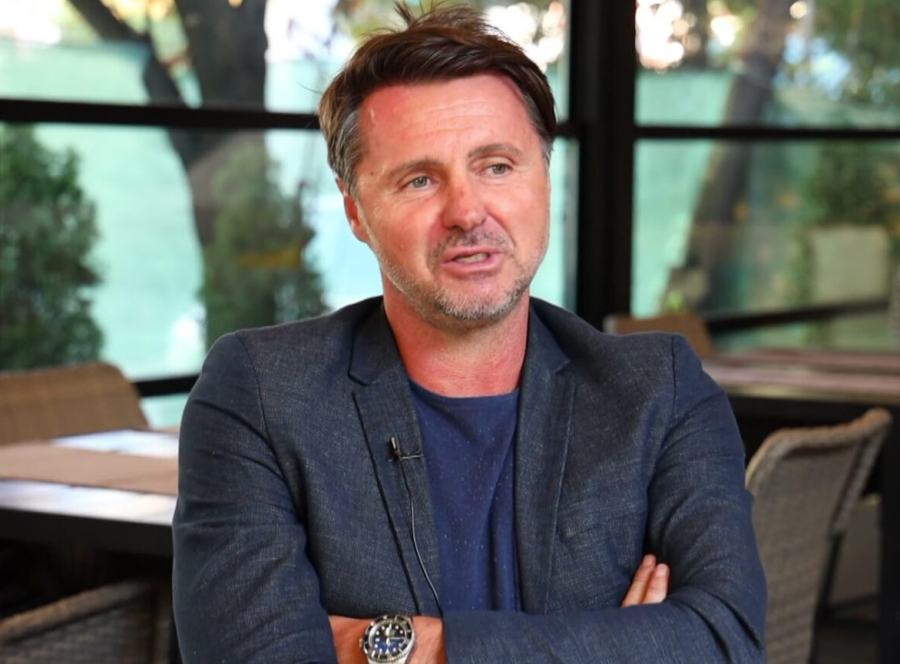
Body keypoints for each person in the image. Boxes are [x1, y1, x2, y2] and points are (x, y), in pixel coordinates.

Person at [172, 4, 766, 663]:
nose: (466, 211)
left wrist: (404, 648)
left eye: (497, 166)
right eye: (419, 179)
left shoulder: (659, 391)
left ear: (545, 179)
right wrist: (619, 645)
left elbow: (723, 642)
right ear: (356, 211)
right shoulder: (261, 394)